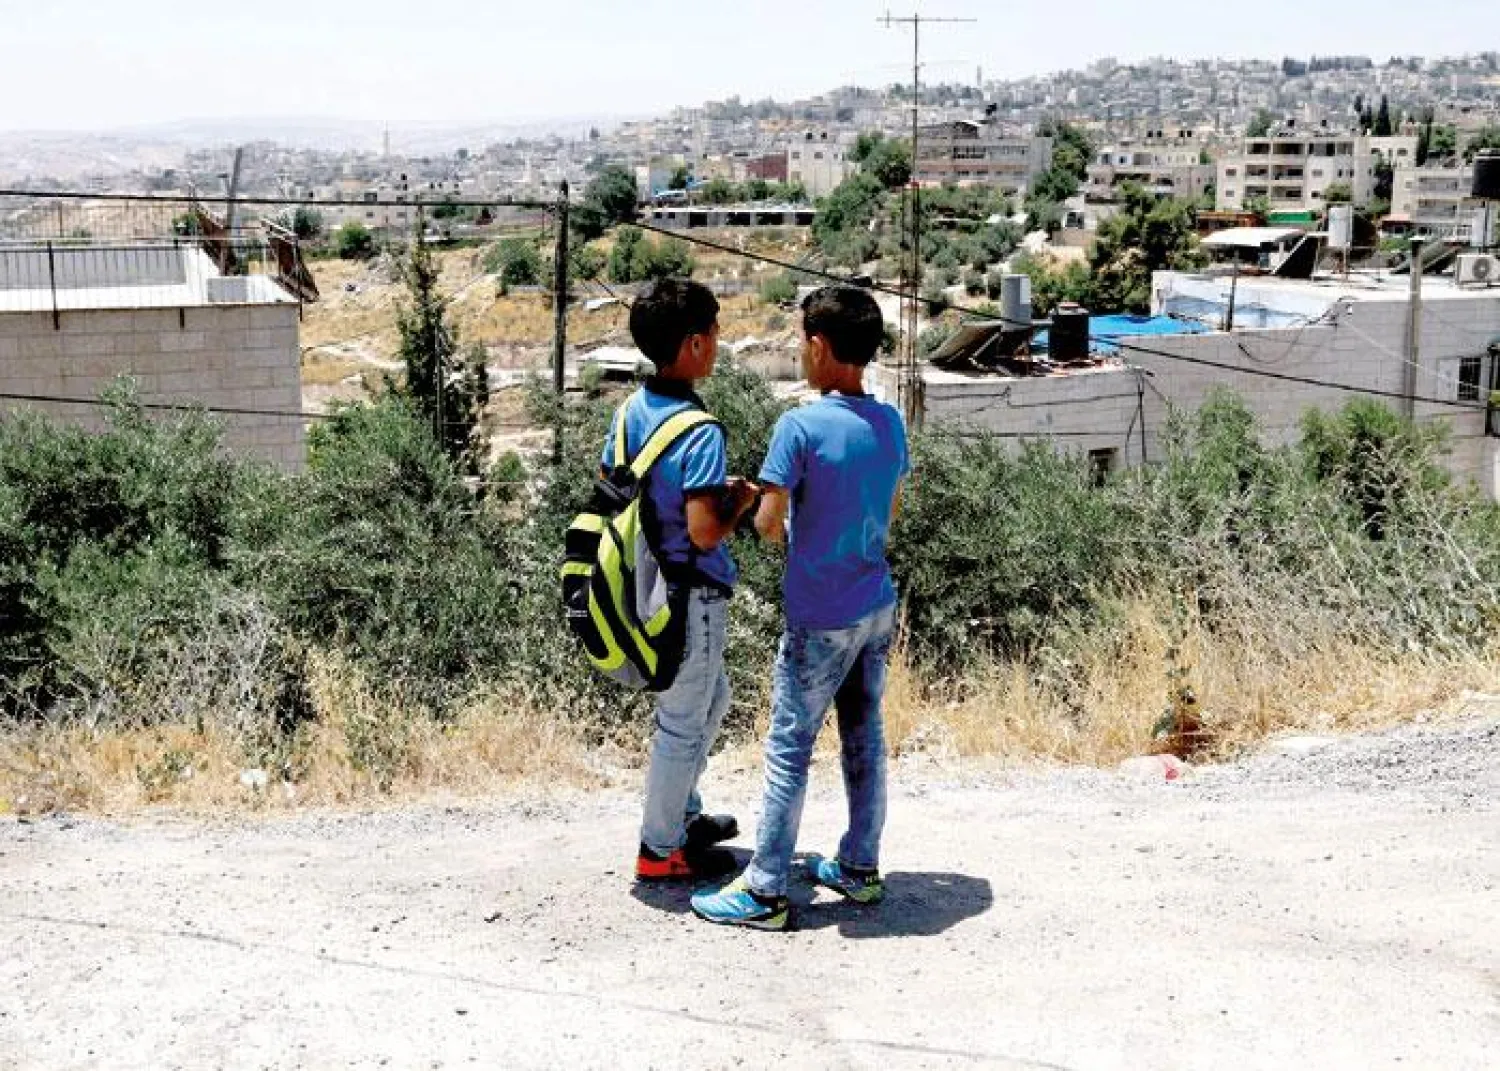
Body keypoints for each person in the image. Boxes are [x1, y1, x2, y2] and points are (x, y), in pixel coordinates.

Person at [691, 285, 908, 930]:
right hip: (876, 604)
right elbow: (889, 511)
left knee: (789, 747)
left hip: (819, 613)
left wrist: (769, 518)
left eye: (801, 342)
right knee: (864, 739)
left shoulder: (799, 426)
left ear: (818, 346)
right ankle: (860, 868)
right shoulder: (890, 421)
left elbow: (766, 520)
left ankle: (763, 891)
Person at [607, 278, 760, 883]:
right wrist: (742, 501)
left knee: (709, 699)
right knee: (682, 721)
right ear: (695, 344)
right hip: (688, 595)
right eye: (716, 331)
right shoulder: (700, 431)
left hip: (645, 590)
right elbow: (702, 530)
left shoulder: (628, 412)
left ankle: (684, 815)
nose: (720, 340)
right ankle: (660, 848)